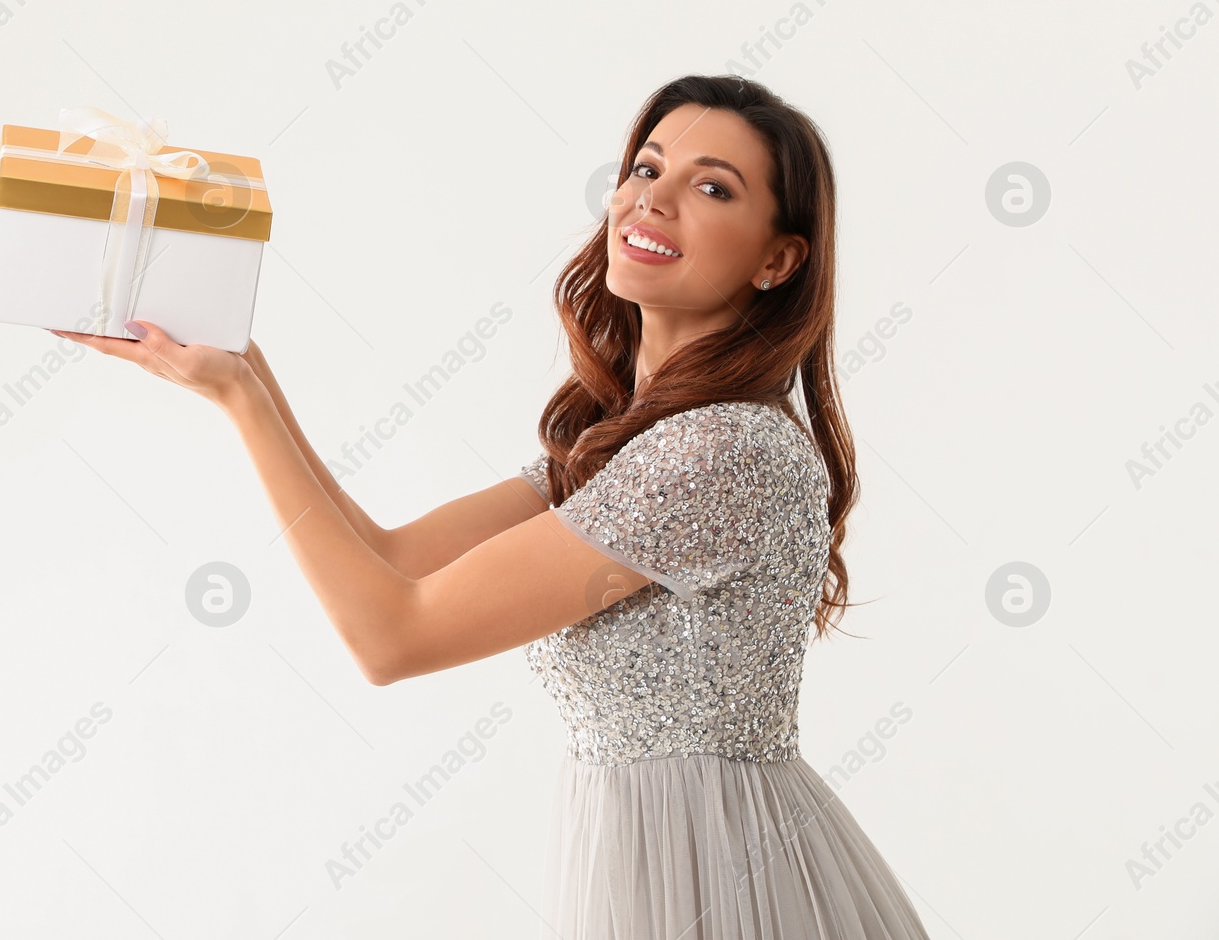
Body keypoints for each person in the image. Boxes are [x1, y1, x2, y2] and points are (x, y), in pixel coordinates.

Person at [55, 74, 931, 938]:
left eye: (711, 187)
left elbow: (392, 636)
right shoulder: (626, 443)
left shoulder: (719, 453)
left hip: (727, 879)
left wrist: (242, 404)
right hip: (654, 856)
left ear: (779, 259)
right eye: (645, 168)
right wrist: (244, 373)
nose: (652, 201)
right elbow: (396, 560)